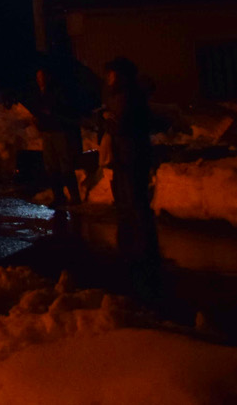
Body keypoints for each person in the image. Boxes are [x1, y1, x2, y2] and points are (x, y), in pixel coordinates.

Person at [100, 57, 159, 297]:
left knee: (135, 198)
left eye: (112, 74)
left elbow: (125, 125)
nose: (108, 78)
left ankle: (143, 250)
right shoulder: (121, 94)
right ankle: (136, 246)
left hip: (131, 153)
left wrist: (108, 121)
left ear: (121, 75)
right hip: (125, 154)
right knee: (128, 197)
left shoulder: (129, 96)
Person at [32, 66, 83, 206]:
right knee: (51, 165)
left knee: (65, 163)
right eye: (38, 78)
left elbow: (63, 108)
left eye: (42, 77)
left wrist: (51, 112)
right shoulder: (39, 92)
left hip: (59, 130)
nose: (39, 80)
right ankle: (59, 196)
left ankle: (74, 196)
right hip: (47, 131)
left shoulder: (57, 91)